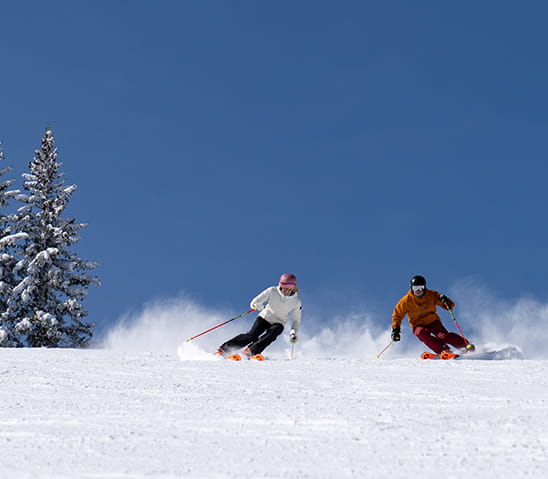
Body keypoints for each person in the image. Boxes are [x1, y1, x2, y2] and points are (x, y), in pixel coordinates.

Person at [215, 273, 302, 360]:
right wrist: (259, 306)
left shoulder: (296, 302)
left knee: (273, 333)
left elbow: (296, 321)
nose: (287, 288)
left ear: (294, 286)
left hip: (279, 322)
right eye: (284, 285)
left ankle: (251, 351)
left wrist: (293, 332)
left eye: (290, 285)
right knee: (252, 336)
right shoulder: (272, 291)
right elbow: (254, 303)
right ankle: (223, 350)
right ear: (280, 284)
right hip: (265, 317)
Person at [391, 275, 474, 354]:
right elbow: (397, 315)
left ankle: (465, 345)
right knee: (421, 333)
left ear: (424, 287)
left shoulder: (431, 295)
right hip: (417, 324)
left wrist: (446, 302)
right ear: (411, 288)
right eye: (415, 288)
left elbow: (450, 305)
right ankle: (443, 349)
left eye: (421, 287)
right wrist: (396, 330)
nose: (418, 290)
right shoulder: (405, 301)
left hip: (433, 321)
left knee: (443, 336)